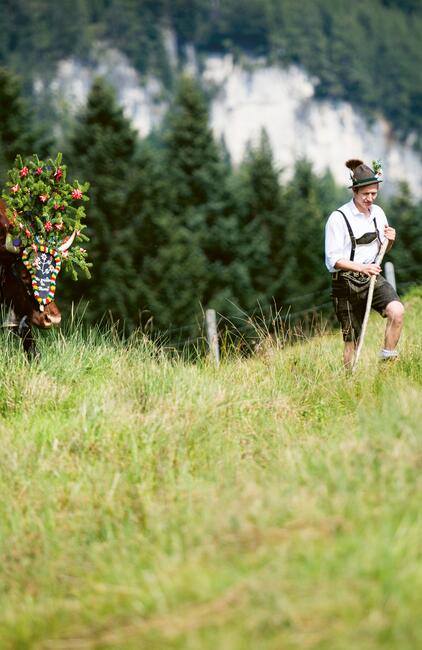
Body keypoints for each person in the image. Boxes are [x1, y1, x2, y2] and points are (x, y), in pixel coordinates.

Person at [325, 159, 404, 369]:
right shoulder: (338, 218)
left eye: (374, 194)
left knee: (397, 312)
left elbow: (381, 251)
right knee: (353, 340)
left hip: (372, 276)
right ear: (355, 191)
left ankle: (387, 363)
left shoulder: (378, 214)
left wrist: (391, 241)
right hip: (345, 282)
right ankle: (350, 382)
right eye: (365, 194)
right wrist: (362, 268)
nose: (370, 199)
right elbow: (332, 260)